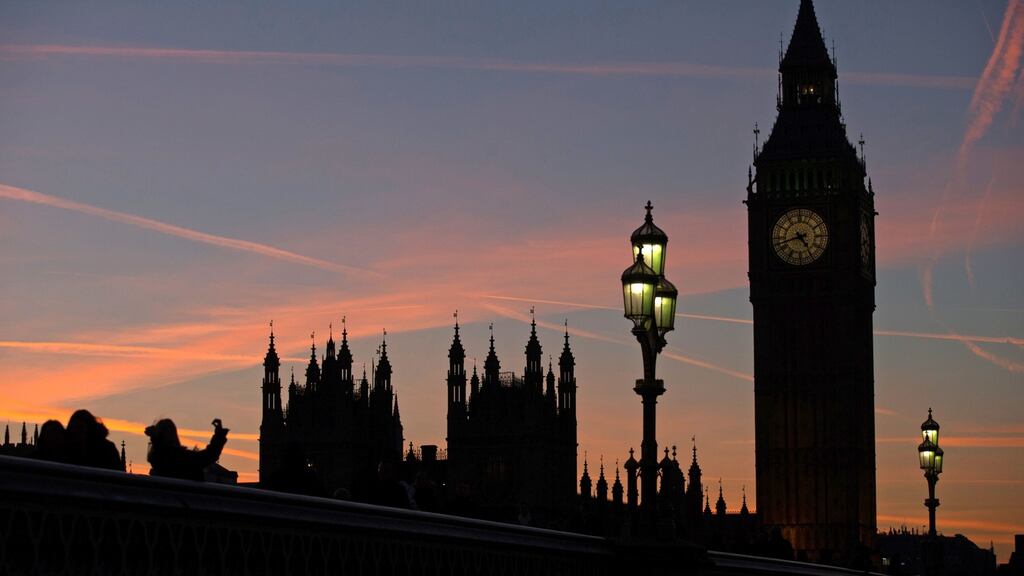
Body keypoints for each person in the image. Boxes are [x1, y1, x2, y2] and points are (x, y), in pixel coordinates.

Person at [145, 417, 228, 481]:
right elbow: (209, 456)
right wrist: (219, 435)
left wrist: (155, 439)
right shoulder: (180, 458)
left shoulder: (158, 459)